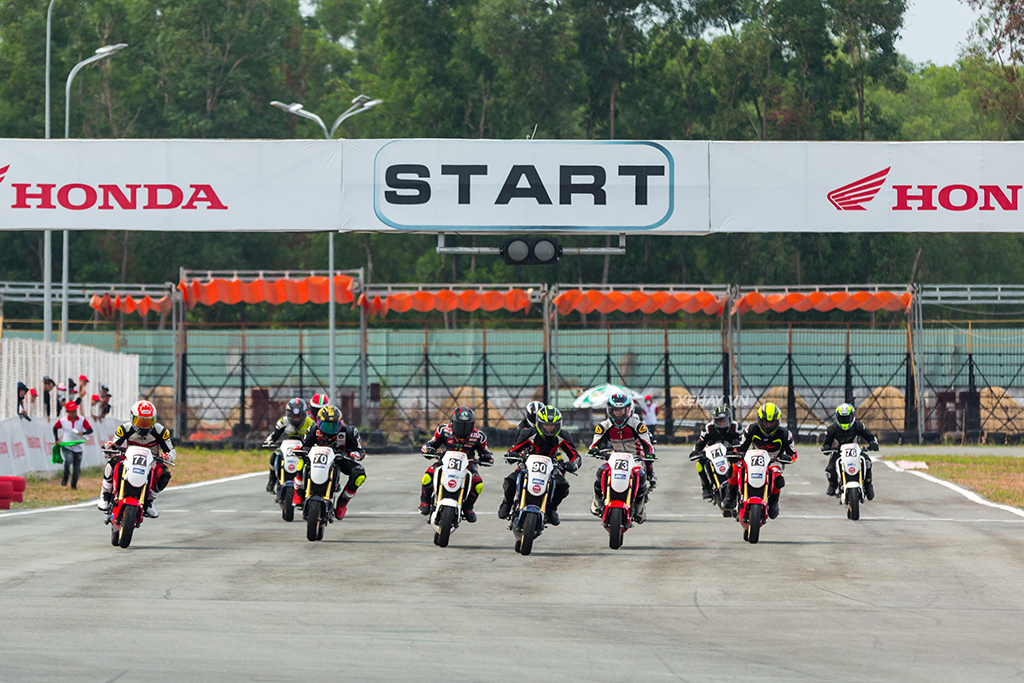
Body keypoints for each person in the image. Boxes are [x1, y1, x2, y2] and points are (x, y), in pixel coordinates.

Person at [498, 405, 580, 526]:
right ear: (539, 423)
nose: (549, 428)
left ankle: (551, 509)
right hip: (527, 463)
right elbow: (514, 448)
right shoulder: (528, 433)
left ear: (559, 425)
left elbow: (575, 456)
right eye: (546, 425)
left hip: (551, 466)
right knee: (510, 480)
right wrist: (512, 454)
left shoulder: (563, 436)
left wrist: (573, 464)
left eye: (552, 425)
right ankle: (507, 503)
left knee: (563, 486)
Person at [98, 400, 176, 518]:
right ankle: (105, 494)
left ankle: (149, 501)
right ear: (132, 418)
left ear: (154, 420)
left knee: (164, 473)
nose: (144, 426)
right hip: (128, 459)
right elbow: (113, 445)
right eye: (140, 421)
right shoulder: (125, 428)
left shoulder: (161, 431)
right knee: (112, 464)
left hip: (151, 461)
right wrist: (109, 448)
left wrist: (168, 456)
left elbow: (171, 451)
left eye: (148, 422)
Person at [587, 392, 656, 521]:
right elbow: (595, 443)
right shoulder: (604, 426)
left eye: (621, 410)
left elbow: (647, 444)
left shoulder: (638, 425)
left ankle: (640, 509)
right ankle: (597, 502)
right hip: (614, 457)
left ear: (627, 410)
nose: (618, 413)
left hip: (635, 457)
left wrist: (649, 454)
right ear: (610, 410)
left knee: (640, 476)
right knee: (601, 472)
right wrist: (594, 450)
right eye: (615, 410)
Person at [419, 406, 493, 522]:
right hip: (444, 461)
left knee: (478, 485)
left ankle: (468, 508)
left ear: (472, 425)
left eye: (466, 426)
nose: (463, 429)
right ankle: (424, 502)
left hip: (468, 465)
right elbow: (430, 444)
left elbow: (487, 453)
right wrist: (428, 449)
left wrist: (486, 457)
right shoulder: (443, 430)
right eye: (459, 425)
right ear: (452, 423)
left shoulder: (479, 436)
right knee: (427, 476)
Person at [726, 402, 797, 520]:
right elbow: (742, 447)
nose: (768, 425)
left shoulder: (785, 434)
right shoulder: (751, 429)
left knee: (778, 478)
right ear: (760, 420)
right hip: (754, 458)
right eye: (765, 422)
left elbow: (793, 453)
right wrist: (735, 453)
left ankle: (773, 502)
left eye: (772, 422)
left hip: (774, 460)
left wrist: (788, 458)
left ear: (777, 421)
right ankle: (731, 495)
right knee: (734, 467)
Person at [296, 405, 366, 521]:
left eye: (333, 426)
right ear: (319, 423)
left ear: (340, 423)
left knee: (360, 474)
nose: (329, 430)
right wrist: (301, 449)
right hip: (317, 458)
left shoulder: (350, 432)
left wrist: (355, 454)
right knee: (301, 460)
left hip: (340, 459)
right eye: (326, 426)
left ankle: (343, 502)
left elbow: (360, 451)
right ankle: (299, 491)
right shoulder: (312, 430)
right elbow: (305, 446)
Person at [822, 403, 878, 499]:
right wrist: (826, 448)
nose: (845, 421)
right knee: (830, 470)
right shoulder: (832, 428)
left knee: (867, 462)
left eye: (847, 418)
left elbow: (870, 436)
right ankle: (833, 484)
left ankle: (868, 483)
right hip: (839, 452)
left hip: (857, 451)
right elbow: (826, 443)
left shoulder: (858, 426)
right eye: (842, 418)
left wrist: (873, 443)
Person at [689, 406, 742, 499]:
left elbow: (743, 442)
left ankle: (742, 485)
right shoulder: (708, 428)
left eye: (724, 420)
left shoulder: (736, 427)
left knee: (741, 463)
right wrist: (696, 451)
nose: (722, 423)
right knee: (699, 463)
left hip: (730, 454)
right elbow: (700, 443)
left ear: (729, 419)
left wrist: (737, 447)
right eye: (719, 421)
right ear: (714, 421)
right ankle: (706, 487)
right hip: (713, 455)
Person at [263, 397, 314, 492]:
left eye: (299, 416)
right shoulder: (283, 422)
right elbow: (274, 435)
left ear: (304, 414)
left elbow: (315, 437)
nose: (296, 419)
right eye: (294, 416)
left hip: (303, 449)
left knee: (310, 462)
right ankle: (272, 481)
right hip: (286, 447)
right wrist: (269, 442)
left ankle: (310, 484)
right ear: (289, 414)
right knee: (274, 456)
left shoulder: (310, 423)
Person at [53, 401, 93, 488]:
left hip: (78, 447)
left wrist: (83, 433)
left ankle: (73, 484)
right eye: (71, 411)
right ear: (67, 412)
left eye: (75, 411)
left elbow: (90, 430)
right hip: (67, 445)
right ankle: (65, 476)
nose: (74, 413)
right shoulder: (63, 421)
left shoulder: (82, 420)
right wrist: (56, 440)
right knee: (68, 460)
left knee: (76, 468)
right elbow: (55, 428)